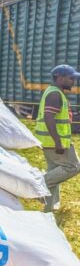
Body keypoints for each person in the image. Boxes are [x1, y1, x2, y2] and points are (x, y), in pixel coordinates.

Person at [36, 65, 80, 212]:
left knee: (55, 172)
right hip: (54, 142)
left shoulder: (55, 92)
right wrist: (58, 142)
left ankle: (50, 208)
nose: (73, 81)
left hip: (51, 141)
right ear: (60, 78)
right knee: (73, 167)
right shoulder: (54, 94)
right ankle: (38, 186)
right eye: (71, 78)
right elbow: (49, 117)